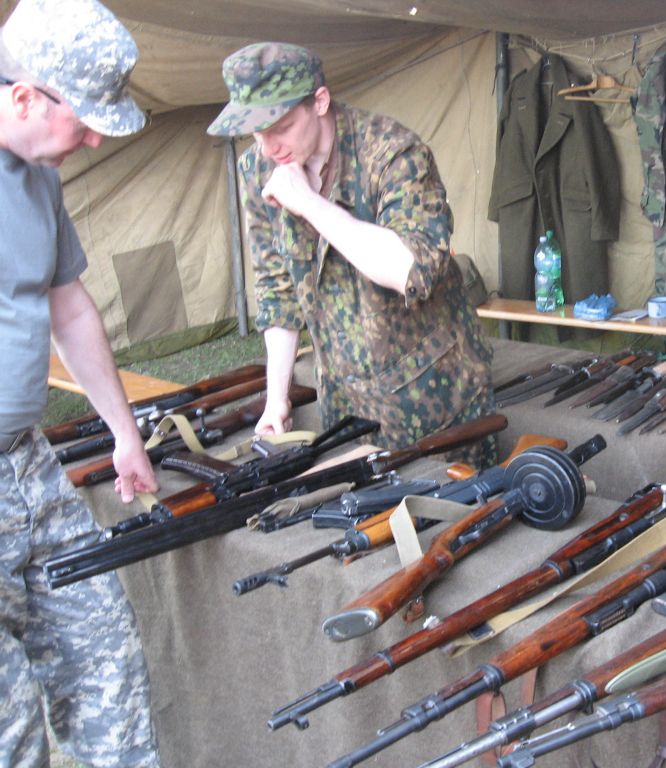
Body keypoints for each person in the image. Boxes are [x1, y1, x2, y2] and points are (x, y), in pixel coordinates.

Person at [0, 0, 162, 765]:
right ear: (24, 97)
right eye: (86, 120)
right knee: (10, 729)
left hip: (26, 463)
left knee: (107, 658)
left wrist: (124, 434)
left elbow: (68, 307)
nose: (96, 139)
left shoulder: (37, 176)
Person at [207, 43, 496, 466]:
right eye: (255, 132)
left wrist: (309, 203)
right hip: (345, 403)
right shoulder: (260, 169)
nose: (268, 148)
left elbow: (412, 269)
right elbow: (277, 288)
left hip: (434, 397)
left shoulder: (393, 153)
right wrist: (276, 398)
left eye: (280, 127)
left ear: (320, 102)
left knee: (459, 501)